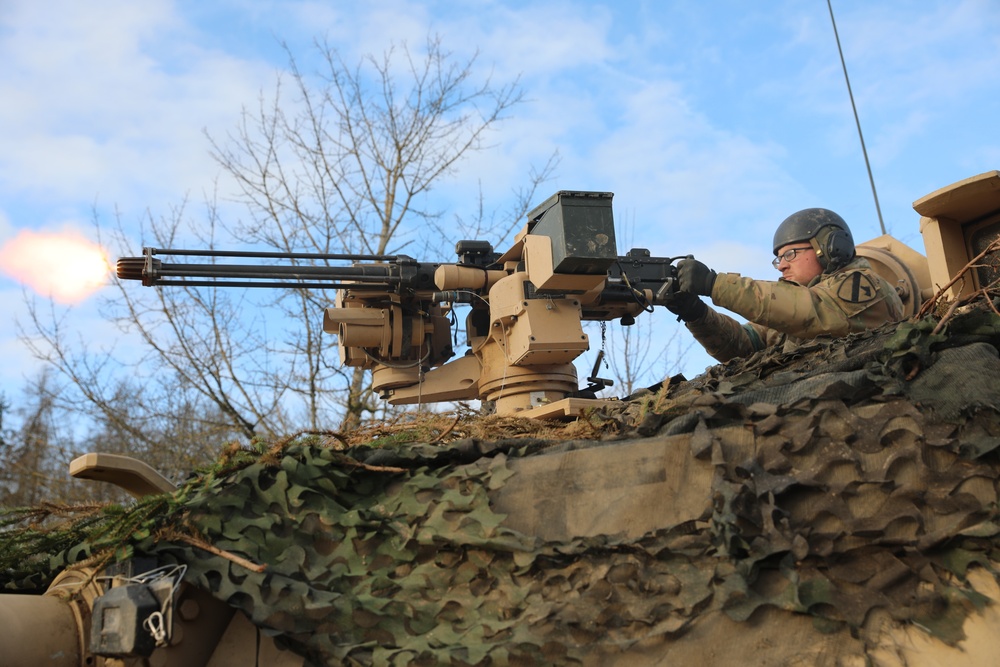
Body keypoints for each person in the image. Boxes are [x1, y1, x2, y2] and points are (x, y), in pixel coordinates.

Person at [662, 208, 905, 363]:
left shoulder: (865, 286)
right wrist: (696, 313)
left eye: (791, 254)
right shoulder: (793, 309)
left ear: (829, 248)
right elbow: (745, 345)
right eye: (779, 258)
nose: (781, 266)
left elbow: (813, 311)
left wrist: (713, 284)